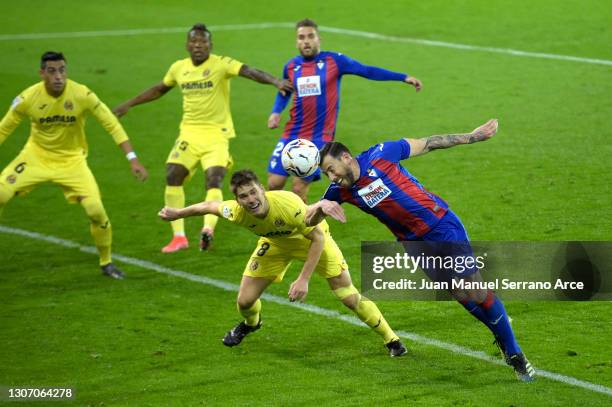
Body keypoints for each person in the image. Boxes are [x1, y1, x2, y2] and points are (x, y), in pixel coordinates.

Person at [312, 119, 536, 381]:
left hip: (442, 226)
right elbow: (307, 219)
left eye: (331, 169)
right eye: (326, 174)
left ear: (346, 158)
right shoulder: (339, 191)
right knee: (458, 292)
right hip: (414, 245)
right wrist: (320, 208)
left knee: (476, 288)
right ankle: (503, 335)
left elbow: (429, 143)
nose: (332, 177)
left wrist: (472, 136)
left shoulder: (382, 154)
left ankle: (515, 353)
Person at [158, 169, 408, 357]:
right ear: (237, 199)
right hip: (276, 245)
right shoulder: (236, 211)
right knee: (244, 301)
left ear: (262, 190)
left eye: (254, 192)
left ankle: (392, 340)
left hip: (313, 240)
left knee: (347, 295)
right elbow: (209, 206)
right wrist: (177, 214)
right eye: (243, 196)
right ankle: (251, 324)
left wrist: (303, 279)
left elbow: (317, 238)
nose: (250, 199)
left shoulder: (289, 205)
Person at [114, 23, 292, 253]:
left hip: (217, 135)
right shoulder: (179, 68)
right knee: (172, 175)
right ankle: (179, 237)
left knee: (214, 179)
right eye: (194, 42)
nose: (198, 46)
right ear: (188, 45)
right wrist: (129, 104)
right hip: (189, 134)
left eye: (203, 42)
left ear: (210, 45)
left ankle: (208, 229)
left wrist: (276, 81)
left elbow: (249, 71)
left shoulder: (220, 64)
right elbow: (159, 89)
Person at [0, 51, 148, 279]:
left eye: (62, 70)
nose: (58, 76)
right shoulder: (28, 98)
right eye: (52, 71)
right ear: (42, 73)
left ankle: (106, 262)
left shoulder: (81, 94)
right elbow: (4, 128)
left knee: (96, 211)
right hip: (35, 157)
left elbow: (111, 123)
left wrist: (133, 159)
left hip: (72, 161)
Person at [266, 18, 422, 202]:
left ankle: (305, 228)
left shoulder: (334, 61)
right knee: (274, 184)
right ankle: (278, 226)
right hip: (292, 134)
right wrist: (276, 111)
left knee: (299, 188)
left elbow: (366, 70)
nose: (306, 41)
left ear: (319, 39)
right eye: (301, 37)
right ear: (296, 41)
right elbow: (285, 91)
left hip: (319, 138)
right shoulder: (291, 66)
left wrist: (402, 77)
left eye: (310, 36)